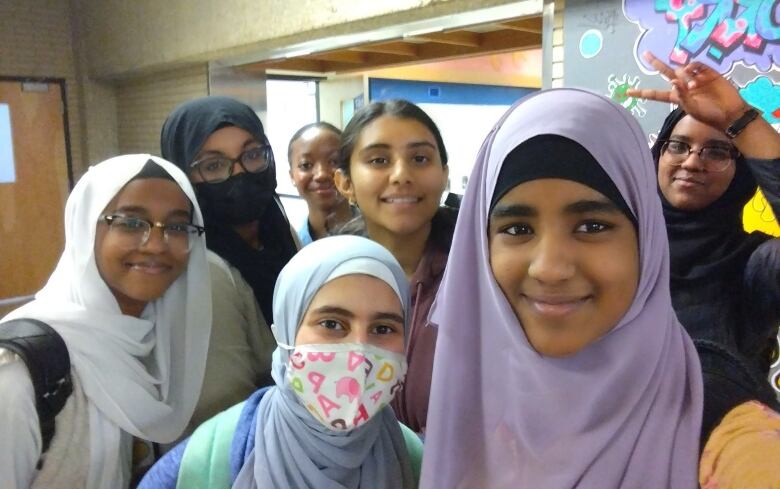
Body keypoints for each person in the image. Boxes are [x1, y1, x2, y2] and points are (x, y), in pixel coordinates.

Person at [420, 89, 704, 488]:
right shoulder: (474, 415)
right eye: (517, 230)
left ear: (647, 240)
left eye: (592, 226)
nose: (550, 269)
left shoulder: (725, 433)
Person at [138, 235, 422, 489]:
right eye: (332, 324)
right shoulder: (207, 460)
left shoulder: (413, 460)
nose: (359, 355)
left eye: (383, 329)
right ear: (286, 332)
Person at [0, 155, 211, 488]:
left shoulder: (151, 347)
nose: (157, 244)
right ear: (85, 229)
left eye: (177, 227)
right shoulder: (21, 369)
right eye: (131, 222)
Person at [629, 52, 780, 441]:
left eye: (717, 151)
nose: (692, 162)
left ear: (742, 167)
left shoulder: (753, 264)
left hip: (718, 459)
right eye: (677, 146)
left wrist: (741, 120)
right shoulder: (618, 248)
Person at [161, 96, 299, 433]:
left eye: (251, 155)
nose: (239, 173)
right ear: (183, 175)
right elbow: (224, 418)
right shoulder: (203, 270)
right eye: (213, 165)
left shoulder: (280, 235)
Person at [334, 99, 454, 434]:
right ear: (344, 183)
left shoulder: (482, 276)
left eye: (420, 159)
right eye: (379, 160)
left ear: (444, 174)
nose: (401, 175)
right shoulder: (327, 279)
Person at [288, 122, 354, 245]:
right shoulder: (292, 248)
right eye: (306, 165)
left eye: (334, 161)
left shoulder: (382, 236)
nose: (321, 174)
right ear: (292, 176)